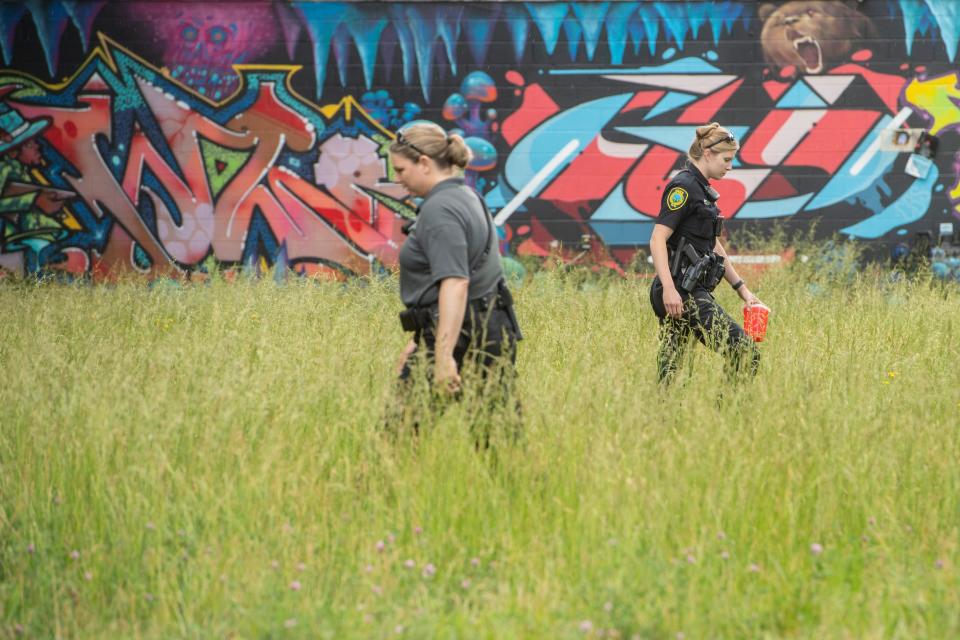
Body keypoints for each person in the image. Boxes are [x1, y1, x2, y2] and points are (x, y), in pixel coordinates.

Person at [387, 122, 521, 436]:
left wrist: (444, 355)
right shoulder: (467, 195)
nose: (397, 179)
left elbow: (456, 281)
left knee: (397, 438)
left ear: (423, 163)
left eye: (401, 170)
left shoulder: (440, 209)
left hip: (460, 334)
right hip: (489, 328)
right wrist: (416, 342)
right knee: (498, 441)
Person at [649, 122, 764, 384]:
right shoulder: (683, 187)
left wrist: (743, 290)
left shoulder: (703, 192)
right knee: (746, 354)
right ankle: (728, 418)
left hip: (686, 291)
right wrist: (669, 289)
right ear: (708, 153)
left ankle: (663, 420)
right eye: (726, 159)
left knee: (672, 370)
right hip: (680, 292)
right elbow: (657, 239)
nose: (730, 166)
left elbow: (712, 245)